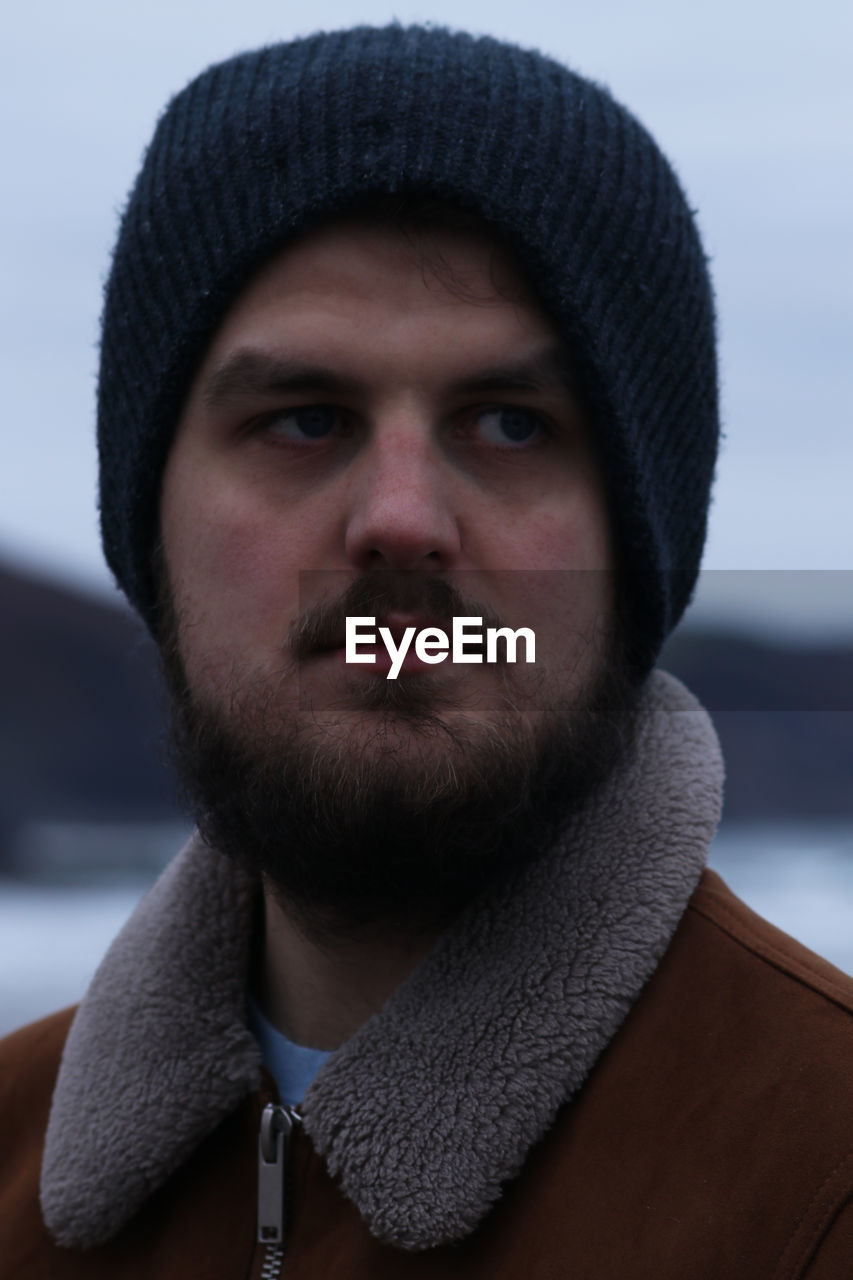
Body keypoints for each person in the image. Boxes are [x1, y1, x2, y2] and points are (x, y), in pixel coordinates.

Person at [1, 24, 852, 1279]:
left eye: (511, 422)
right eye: (303, 416)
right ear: (148, 524)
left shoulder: (817, 1181)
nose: (400, 518)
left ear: (640, 545)